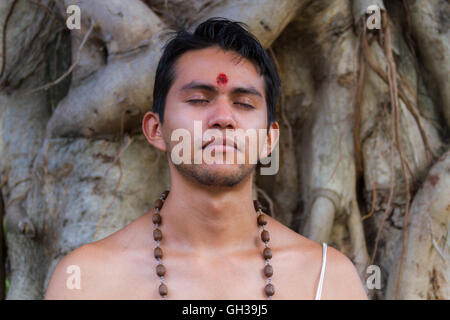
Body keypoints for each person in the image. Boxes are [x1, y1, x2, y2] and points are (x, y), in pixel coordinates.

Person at [45, 18, 367, 300]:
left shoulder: (327, 280)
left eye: (243, 104)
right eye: (199, 99)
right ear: (156, 129)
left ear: (269, 140)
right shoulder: (88, 281)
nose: (223, 118)